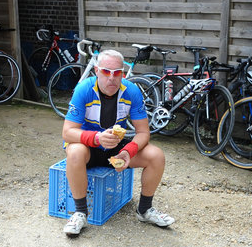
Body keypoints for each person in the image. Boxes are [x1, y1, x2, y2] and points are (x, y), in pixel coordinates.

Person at [61, 49, 175, 236]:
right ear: (96, 70)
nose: (112, 78)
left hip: (115, 148)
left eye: (117, 73)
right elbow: (67, 133)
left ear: (123, 73)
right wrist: (96, 138)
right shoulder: (84, 89)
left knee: (156, 155)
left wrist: (128, 152)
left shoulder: (131, 91)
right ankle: (80, 212)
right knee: (74, 152)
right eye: (106, 72)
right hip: (88, 148)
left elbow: (144, 133)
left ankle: (144, 210)